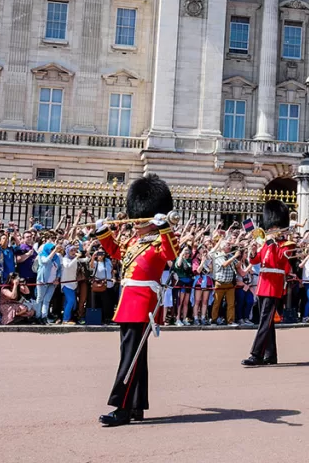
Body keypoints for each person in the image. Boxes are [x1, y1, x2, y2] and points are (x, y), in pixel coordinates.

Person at [96, 174, 178, 427]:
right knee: (134, 357)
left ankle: (121, 407)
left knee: (130, 358)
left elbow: (171, 253)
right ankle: (135, 406)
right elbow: (116, 252)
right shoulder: (134, 240)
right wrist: (103, 232)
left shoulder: (159, 240)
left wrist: (164, 226)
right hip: (127, 303)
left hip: (143, 305)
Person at [243, 199, 292, 366]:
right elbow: (257, 261)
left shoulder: (287, 244)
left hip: (274, 285)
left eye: (273, 228)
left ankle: (256, 354)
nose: (270, 230)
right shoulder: (266, 243)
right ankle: (270, 355)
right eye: (269, 227)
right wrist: (252, 251)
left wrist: (271, 243)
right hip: (263, 284)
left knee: (265, 320)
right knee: (267, 321)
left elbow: (280, 261)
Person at [35, 241, 62, 324]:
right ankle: (38, 316)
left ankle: (44, 316)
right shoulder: (41, 255)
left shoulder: (57, 257)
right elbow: (45, 261)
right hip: (42, 281)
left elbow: (60, 268)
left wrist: (57, 278)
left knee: (47, 300)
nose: (53, 250)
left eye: (54, 249)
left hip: (52, 282)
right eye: (51, 249)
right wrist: (54, 252)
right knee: (40, 299)